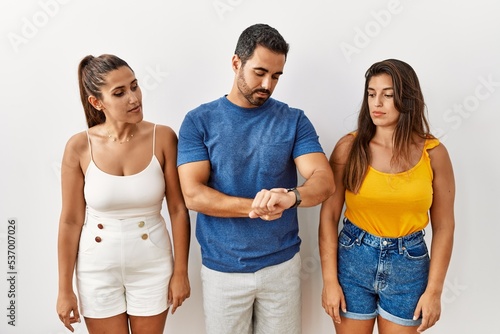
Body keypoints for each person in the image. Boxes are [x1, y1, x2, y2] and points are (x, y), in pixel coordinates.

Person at [176, 23, 334, 334]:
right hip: (223, 269)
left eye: (276, 76)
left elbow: (323, 179)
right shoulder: (199, 120)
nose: (267, 83)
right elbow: (193, 195)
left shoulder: (293, 119)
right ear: (236, 63)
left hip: (281, 267)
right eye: (260, 72)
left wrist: (291, 196)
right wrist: (257, 207)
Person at [56, 54, 191, 334]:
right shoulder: (79, 147)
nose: (133, 98)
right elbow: (70, 221)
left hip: (152, 265)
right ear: (97, 102)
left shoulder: (163, 137)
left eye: (134, 86)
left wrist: (181, 272)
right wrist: (64, 289)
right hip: (97, 267)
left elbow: (178, 209)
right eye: (119, 93)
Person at [319, 59, 455, 333]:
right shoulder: (349, 147)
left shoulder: (434, 153)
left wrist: (435, 292)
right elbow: (329, 216)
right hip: (354, 259)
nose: (376, 103)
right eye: (371, 93)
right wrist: (329, 282)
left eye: (388, 94)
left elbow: (444, 226)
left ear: (407, 99)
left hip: (409, 266)